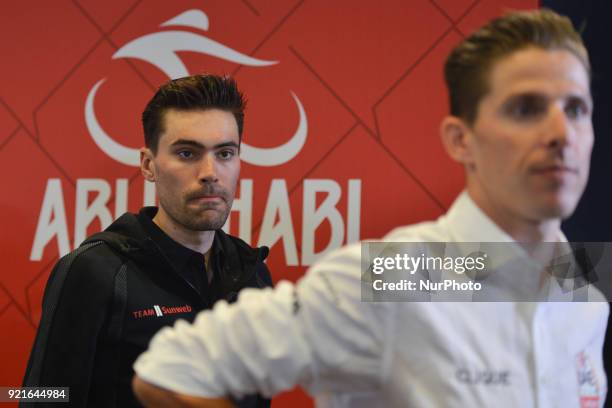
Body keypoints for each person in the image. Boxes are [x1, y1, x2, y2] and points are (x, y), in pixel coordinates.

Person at [132, 9, 608, 407]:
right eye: (525, 109)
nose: (561, 134)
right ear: (462, 140)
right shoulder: (398, 273)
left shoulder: (583, 283)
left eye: (576, 109)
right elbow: (171, 370)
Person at [21, 74, 273, 407]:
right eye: (187, 153)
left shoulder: (253, 275)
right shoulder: (95, 270)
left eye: (225, 153)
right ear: (148, 164)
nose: (210, 171)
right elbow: (41, 395)